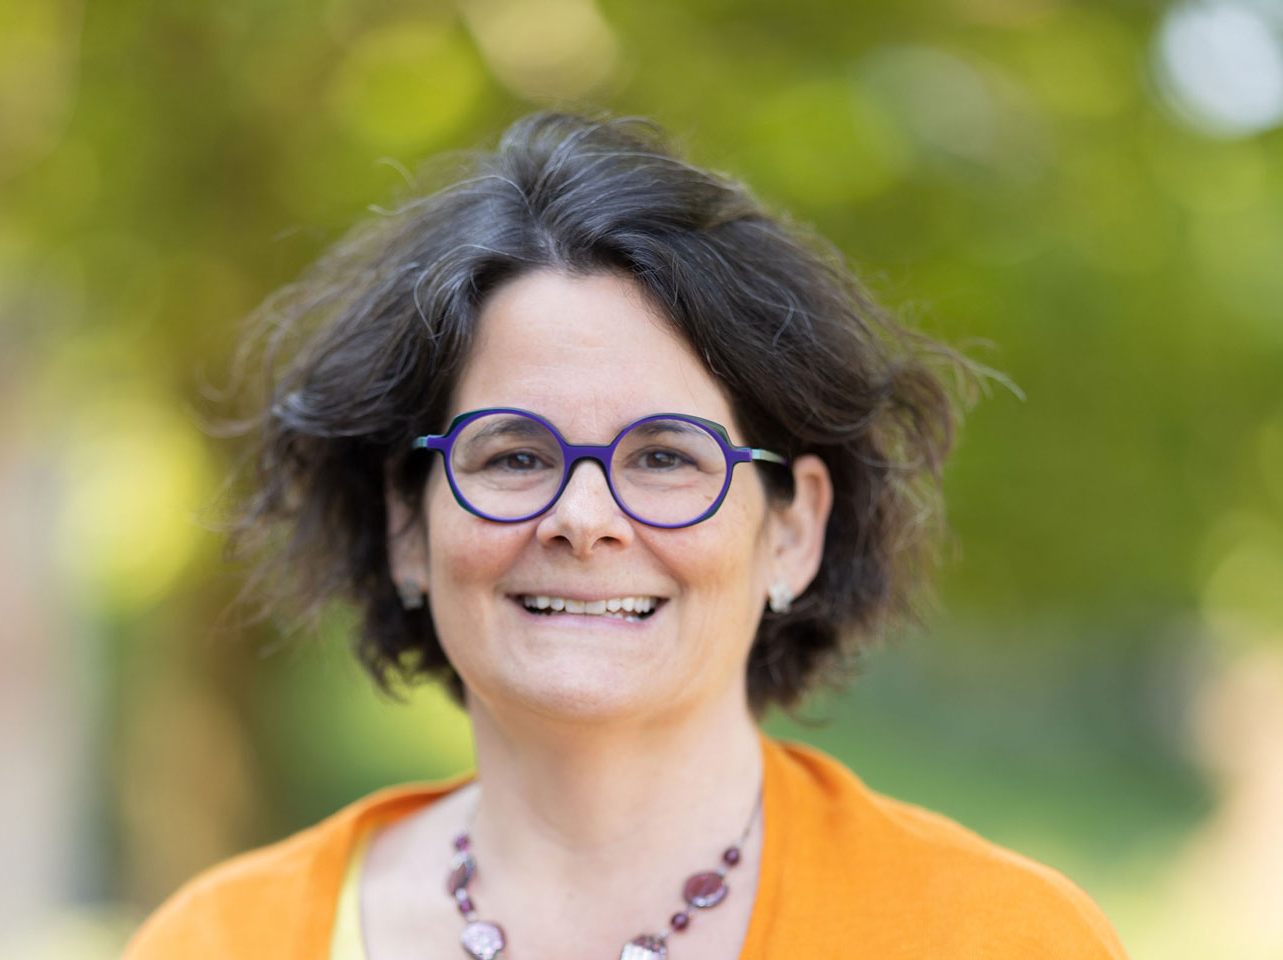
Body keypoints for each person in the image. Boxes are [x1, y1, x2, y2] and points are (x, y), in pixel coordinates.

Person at [124, 111, 1129, 959]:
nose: (584, 518)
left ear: (793, 529)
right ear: (406, 525)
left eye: (664, 457)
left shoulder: (999, 938)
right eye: (514, 455)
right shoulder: (217, 942)